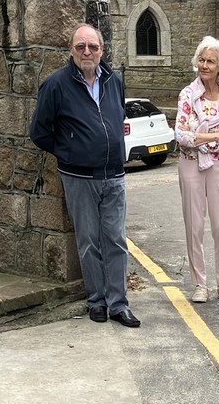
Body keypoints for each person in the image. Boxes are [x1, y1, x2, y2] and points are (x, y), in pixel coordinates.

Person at [30, 24, 139, 328]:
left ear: (102, 50)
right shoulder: (56, 85)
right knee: (89, 241)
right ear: (71, 50)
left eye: (93, 46)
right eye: (81, 47)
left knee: (116, 240)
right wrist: (69, 151)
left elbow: (118, 117)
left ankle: (119, 304)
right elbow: (39, 132)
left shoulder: (114, 82)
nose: (87, 52)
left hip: (114, 174)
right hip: (79, 177)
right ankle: (96, 301)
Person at [174, 36, 219, 303]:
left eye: (210, 61)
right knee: (194, 225)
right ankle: (199, 283)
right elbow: (180, 136)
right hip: (190, 165)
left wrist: (199, 138)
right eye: (201, 60)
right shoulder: (187, 95)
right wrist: (213, 136)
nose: (204, 65)